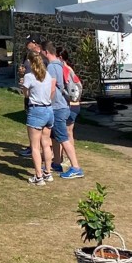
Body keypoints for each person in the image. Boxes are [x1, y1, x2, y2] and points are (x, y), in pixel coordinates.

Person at [43, 41, 84, 180]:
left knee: (64, 138)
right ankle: (56, 163)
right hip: (62, 106)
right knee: (56, 136)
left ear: (46, 52)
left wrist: (46, 101)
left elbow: (53, 87)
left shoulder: (52, 67)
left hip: (59, 107)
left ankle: (76, 168)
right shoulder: (61, 66)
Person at [21, 53, 55, 185]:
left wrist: (26, 89)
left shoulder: (29, 77)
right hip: (48, 110)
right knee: (46, 144)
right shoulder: (47, 75)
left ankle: (39, 177)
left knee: (35, 146)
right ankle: (48, 172)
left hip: (36, 110)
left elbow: (25, 94)